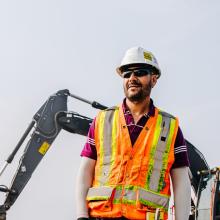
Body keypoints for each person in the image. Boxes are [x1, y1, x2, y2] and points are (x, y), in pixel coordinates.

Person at [76, 47, 191, 220]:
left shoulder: (170, 126)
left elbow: (181, 181)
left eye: (140, 72)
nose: (132, 78)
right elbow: (85, 171)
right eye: (127, 74)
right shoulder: (102, 120)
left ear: (154, 79)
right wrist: (81, 215)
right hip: (101, 216)